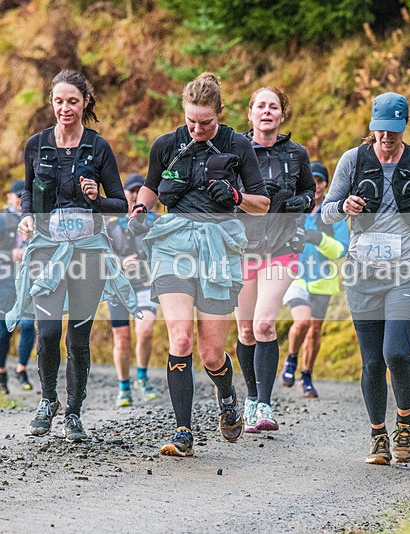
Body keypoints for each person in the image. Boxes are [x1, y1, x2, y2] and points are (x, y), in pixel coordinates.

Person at [129, 72, 270, 457]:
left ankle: (226, 394)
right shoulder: (165, 145)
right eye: (191, 121)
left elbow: (262, 204)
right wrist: (141, 206)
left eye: (205, 122)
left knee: (210, 353)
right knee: (180, 338)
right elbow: (151, 187)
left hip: (219, 247)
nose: (197, 129)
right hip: (172, 243)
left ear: (220, 114)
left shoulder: (239, 145)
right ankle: (183, 431)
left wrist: (236, 194)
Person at [7, 69, 135, 443]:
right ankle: (48, 401)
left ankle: (74, 412)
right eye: (59, 101)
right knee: (47, 333)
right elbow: (28, 191)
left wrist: (97, 198)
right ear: (51, 102)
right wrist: (28, 218)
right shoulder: (37, 145)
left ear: (85, 103)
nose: (66, 108)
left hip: (89, 252)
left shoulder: (99, 147)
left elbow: (120, 204)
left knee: (77, 338)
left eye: (73, 101)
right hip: (46, 249)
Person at [321, 92, 410, 465]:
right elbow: (325, 212)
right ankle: (378, 436)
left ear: (404, 128)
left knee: (396, 352)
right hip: (362, 274)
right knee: (372, 361)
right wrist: (343, 206)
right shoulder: (353, 161)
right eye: (381, 131)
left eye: (394, 132)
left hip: (405, 271)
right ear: (372, 127)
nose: (386, 138)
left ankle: (404, 422)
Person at [236, 87, 315, 433]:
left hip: (282, 247)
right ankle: (251, 398)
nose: (267, 112)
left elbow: (310, 191)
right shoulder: (234, 150)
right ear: (250, 113)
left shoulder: (296, 154)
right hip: (242, 248)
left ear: (283, 115)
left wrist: (301, 203)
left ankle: (265, 406)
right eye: (261, 106)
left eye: (274, 107)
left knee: (264, 323)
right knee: (245, 329)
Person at [279, 161, 349, 398]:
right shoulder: (294, 206)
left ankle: (306, 376)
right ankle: (291, 360)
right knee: (303, 323)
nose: (316, 186)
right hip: (295, 277)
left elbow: (342, 249)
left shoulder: (333, 213)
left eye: (320, 181)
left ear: (326, 184)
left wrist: (319, 239)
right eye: (312, 180)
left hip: (323, 280)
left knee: (315, 330)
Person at [105, 172, 160, 407]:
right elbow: (100, 259)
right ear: (125, 195)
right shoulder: (111, 226)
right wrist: (120, 263)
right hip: (119, 288)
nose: (136, 195)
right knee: (122, 339)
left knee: (146, 330)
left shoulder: (154, 221)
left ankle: (142, 376)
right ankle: (123, 386)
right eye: (132, 191)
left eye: (140, 190)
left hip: (146, 284)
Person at [0, 180, 36, 394]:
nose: (22, 200)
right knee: (4, 328)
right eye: (18, 196)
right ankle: (1, 372)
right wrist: (9, 255)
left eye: (25, 196)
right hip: (4, 280)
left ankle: (22, 370)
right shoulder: (2, 221)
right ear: (9, 197)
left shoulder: (34, 219)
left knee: (28, 324)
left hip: (29, 279)